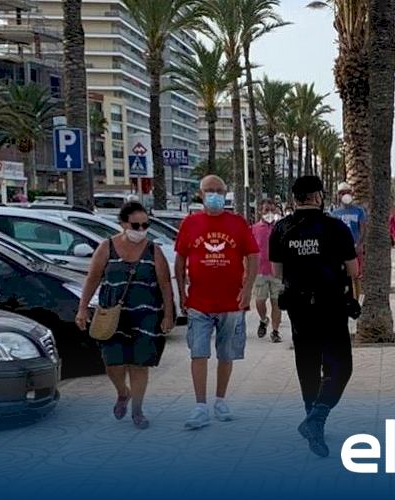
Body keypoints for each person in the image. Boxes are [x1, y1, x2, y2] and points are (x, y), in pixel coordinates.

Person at [270, 176, 360, 457]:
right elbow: (353, 270)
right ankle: (317, 417)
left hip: (299, 306)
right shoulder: (336, 227)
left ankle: (312, 417)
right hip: (331, 304)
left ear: (295, 198)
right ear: (318, 197)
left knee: (308, 363)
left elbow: (277, 272)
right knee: (340, 366)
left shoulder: (280, 228)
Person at [74, 201, 174, 430]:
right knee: (113, 363)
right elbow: (92, 278)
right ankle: (122, 392)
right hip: (113, 315)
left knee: (139, 364)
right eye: (136, 225)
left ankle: (137, 410)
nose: (141, 230)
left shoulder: (154, 250)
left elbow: (165, 285)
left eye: (145, 225)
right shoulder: (106, 247)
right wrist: (82, 308)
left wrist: (168, 315)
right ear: (123, 224)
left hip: (145, 315)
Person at [174, 175, 259, 430]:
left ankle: (220, 401)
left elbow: (253, 256)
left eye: (219, 190)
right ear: (200, 194)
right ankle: (200, 406)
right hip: (199, 302)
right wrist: (181, 292)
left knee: (226, 354)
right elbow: (180, 260)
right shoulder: (190, 223)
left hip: (231, 302)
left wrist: (248, 289)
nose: (214, 194)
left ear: (225, 193)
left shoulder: (237, 223)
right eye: (209, 190)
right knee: (198, 353)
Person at [251, 200, 284, 343]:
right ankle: (264, 319)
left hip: (278, 272)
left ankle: (275, 331)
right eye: (266, 210)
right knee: (260, 301)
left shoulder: (280, 228)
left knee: (276, 302)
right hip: (260, 271)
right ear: (260, 211)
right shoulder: (254, 229)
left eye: (272, 210)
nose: (269, 213)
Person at [330, 182, 367, 297]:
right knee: (340, 275)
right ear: (338, 195)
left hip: (355, 248)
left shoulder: (359, 211)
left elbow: (363, 229)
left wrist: (359, 245)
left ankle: (356, 300)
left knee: (356, 276)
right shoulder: (334, 213)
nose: (345, 195)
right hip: (340, 251)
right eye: (342, 193)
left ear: (351, 194)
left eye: (347, 192)